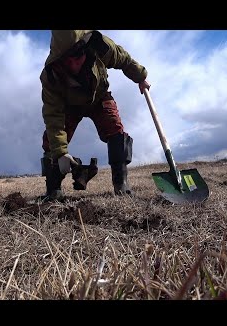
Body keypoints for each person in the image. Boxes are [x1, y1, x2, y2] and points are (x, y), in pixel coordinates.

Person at [39, 30, 150, 201]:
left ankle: (121, 185)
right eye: (68, 59)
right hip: (70, 106)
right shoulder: (51, 76)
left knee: (115, 130)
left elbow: (124, 59)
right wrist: (61, 153)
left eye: (78, 56)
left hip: (99, 97)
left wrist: (141, 77)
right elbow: (53, 117)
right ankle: (53, 190)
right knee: (51, 141)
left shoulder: (100, 46)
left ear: (86, 48)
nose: (74, 64)